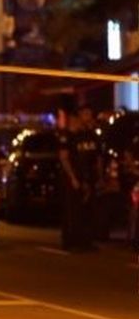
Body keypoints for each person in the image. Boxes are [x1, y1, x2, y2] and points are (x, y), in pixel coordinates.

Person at [58, 104, 102, 251]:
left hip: (88, 179)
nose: (89, 118)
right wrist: (73, 178)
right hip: (74, 178)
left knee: (87, 211)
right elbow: (64, 158)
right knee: (73, 210)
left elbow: (97, 157)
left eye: (90, 114)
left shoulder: (92, 135)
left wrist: (99, 177)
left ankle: (86, 241)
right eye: (86, 114)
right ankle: (71, 241)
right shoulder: (69, 136)